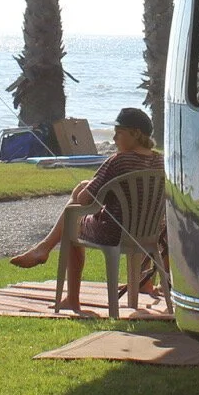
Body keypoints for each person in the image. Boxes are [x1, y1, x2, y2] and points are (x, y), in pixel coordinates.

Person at [11, 107, 165, 308]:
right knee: (84, 189)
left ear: (135, 134)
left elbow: (85, 199)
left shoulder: (119, 161)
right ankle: (143, 283)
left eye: (119, 133)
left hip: (114, 232)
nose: (114, 138)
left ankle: (70, 296)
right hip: (149, 232)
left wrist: (82, 190)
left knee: (72, 225)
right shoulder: (160, 161)